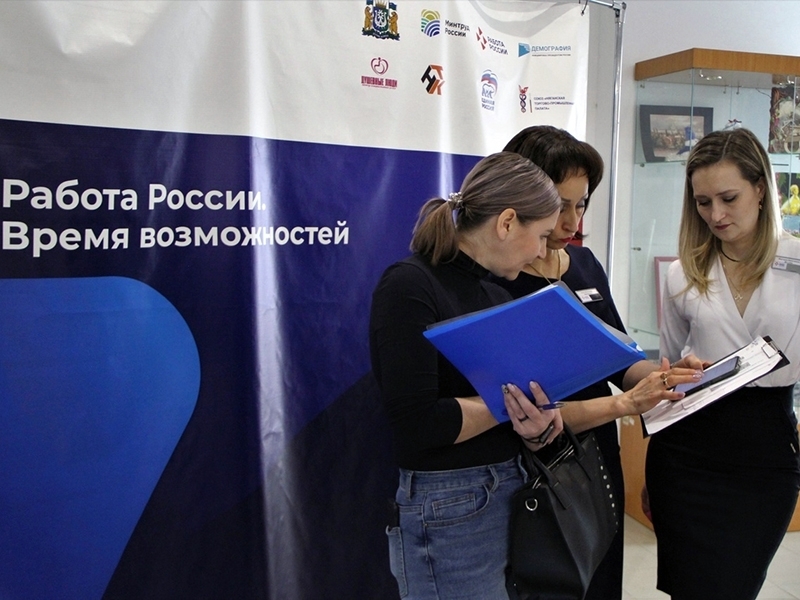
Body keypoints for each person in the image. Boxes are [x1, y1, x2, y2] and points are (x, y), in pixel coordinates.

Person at [369, 151, 695, 600]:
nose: (543, 251)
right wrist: (508, 404)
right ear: (506, 223)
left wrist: (537, 423)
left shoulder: (493, 292)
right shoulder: (410, 285)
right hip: (450, 506)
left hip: (514, 491)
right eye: (541, 235)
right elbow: (418, 423)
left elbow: (519, 413)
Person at [493, 125, 703, 600]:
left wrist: (667, 376)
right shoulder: (497, 277)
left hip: (595, 460)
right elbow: (508, 404)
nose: (572, 221)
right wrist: (624, 403)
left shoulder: (584, 264)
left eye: (581, 204)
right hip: (530, 467)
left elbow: (620, 359)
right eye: (559, 206)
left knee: (599, 581)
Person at [645, 127, 800, 600]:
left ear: (761, 189)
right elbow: (671, 371)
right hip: (686, 451)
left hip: (766, 450)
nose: (716, 214)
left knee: (735, 586)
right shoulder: (682, 274)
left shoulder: (797, 261)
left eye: (729, 198)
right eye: (703, 202)